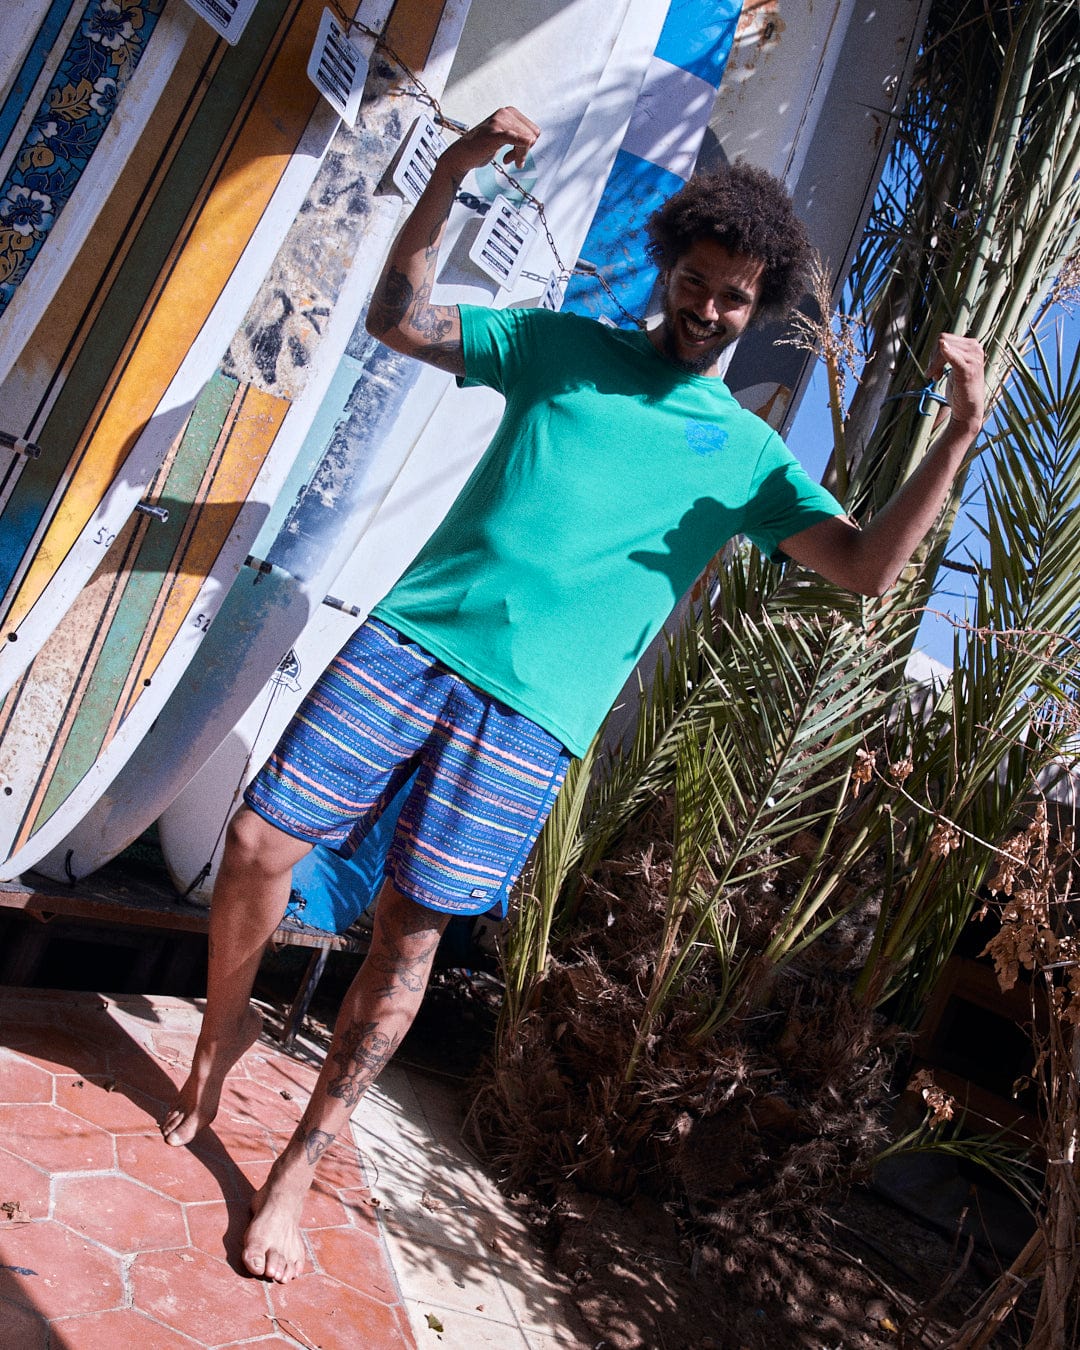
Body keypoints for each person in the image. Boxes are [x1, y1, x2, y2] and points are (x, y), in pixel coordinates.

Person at [159, 108, 985, 1282]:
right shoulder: (559, 346)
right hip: (410, 642)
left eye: (735, 297)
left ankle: (300, 1163)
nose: (708, 309)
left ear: (757, 308)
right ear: (669, 269)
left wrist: (958, 434)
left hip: (532, 721)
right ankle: (218, 1035)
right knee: (255, 844)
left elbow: (863, 568)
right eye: (695, 282)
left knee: (408, 936)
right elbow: (398, 319)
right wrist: (451, 172)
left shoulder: (746, 455)